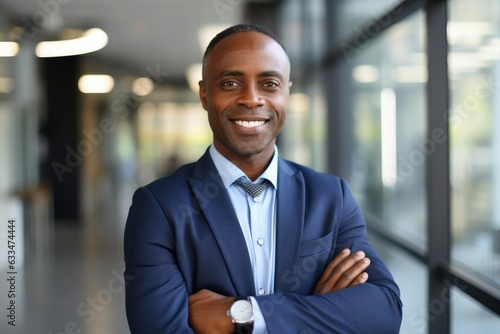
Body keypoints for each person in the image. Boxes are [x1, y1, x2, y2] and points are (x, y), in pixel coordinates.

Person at [124, 23, 402, 333]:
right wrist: (318, 313)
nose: (252, 99)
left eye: (269, 83)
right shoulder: (158, 207)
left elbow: (383, 311)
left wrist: (246, 314)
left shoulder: (331, 196)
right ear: (205, 94)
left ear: (287, 93)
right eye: (230, 83)